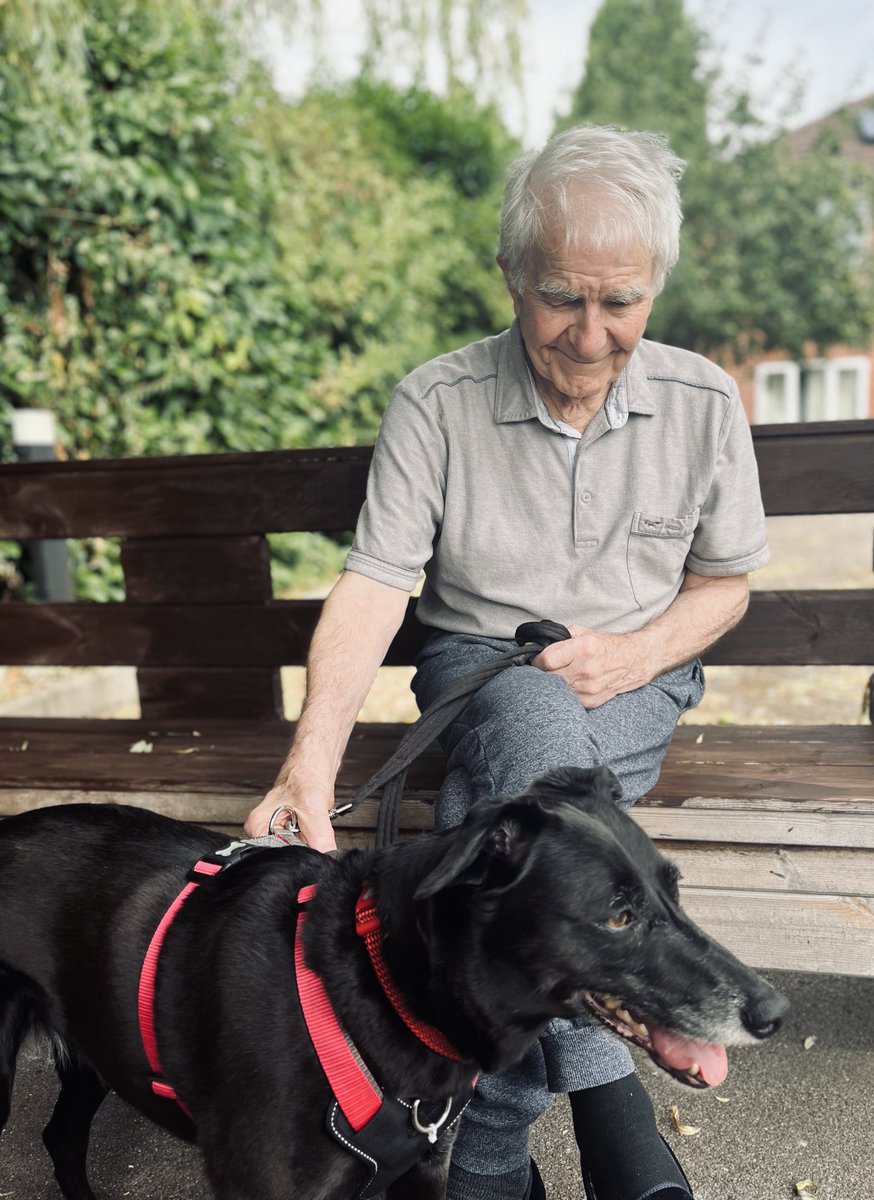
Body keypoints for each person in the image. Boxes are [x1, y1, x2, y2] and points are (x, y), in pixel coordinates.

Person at [245, 125, 769, 1200]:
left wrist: (633, 653)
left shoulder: (706, 403)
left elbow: (723, 585)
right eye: (558, 299)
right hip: (477, 672)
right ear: (510, 276)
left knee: (526, 796)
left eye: (618, 302)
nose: (587, 337)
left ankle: (485, 1156)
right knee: (530, 723)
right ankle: (609, 1108)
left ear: (655, 285)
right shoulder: (435, 402)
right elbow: (374, 586)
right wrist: (310, 770)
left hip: (638, 680)